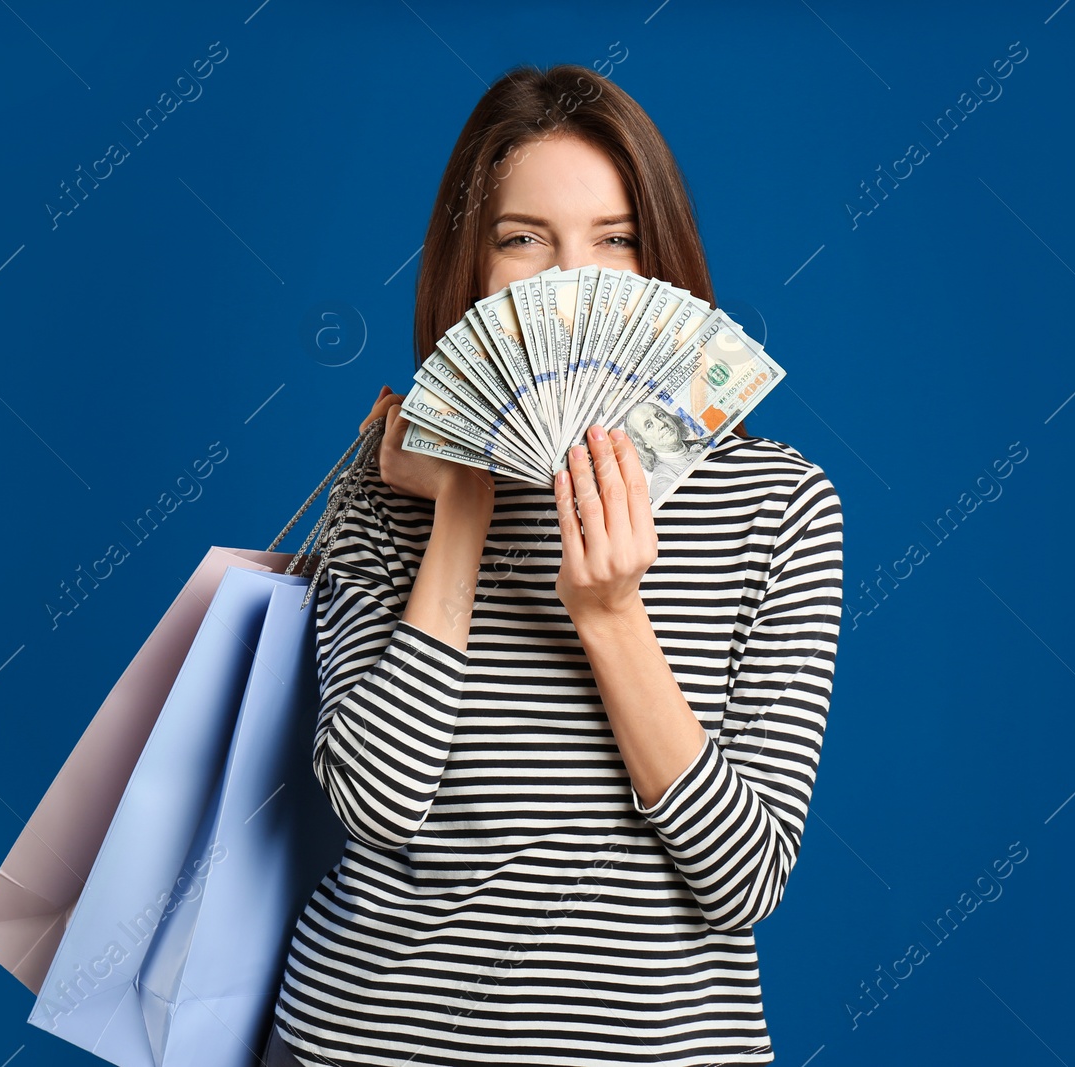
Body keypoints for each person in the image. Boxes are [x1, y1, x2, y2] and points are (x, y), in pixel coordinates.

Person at [268, 63, 843, 1067]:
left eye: (614, 239)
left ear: (660, 261)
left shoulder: (778, 504)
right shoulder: (391, 477)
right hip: (370, 1040)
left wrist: (614, 614)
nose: (572, 278)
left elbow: (743, 876)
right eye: (523, 237)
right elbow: (376, 800)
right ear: (472, 265)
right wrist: (459, 503)